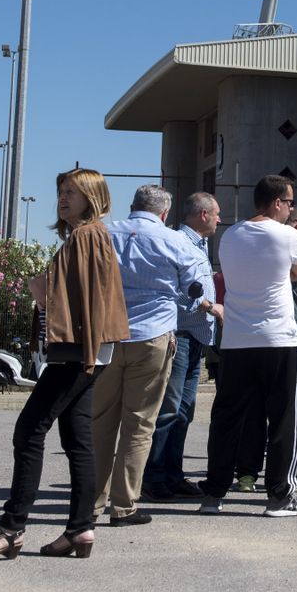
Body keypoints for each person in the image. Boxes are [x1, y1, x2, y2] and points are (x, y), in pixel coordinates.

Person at [0, 168, 130, 561]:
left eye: (72, 191)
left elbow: (77, 297)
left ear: (92, 196)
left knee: (29, 431)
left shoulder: (87, 235)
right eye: (61, 190)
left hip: (78, 351)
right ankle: (79, 530)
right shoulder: (88, 236)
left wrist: (41, 292)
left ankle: (10, 528)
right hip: (87, 350)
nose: (63, 197)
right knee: (78, 440)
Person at [198, 175, 297, 517]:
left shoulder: (230, 234)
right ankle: (281, 494)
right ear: (277, 203)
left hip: (235, 339)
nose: (291, 208)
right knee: (283, 419)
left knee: (227, 417)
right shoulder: (288, 235)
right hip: (278, 338)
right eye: (289, 202)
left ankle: (214, 492)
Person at [92, 185, 206, 527]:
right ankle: (123, 505)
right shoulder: (174, 241)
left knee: (100, 422)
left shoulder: (103, 234)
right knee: (140, 423)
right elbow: (193, 288)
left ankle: (91, 501)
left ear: (131, 207)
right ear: (165, 212)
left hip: (107, 336)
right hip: (152, 337)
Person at [142, 192, 222, 500]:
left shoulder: (198, 245)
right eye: (216, 214)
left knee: (184, 410)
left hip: (196, 337)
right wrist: (209, 306)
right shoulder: (177, 241)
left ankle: (173, 475)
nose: (219, 219)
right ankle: (154, 477)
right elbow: (176, 291)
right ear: (203, 215)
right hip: (180, 336)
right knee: (169, 409)